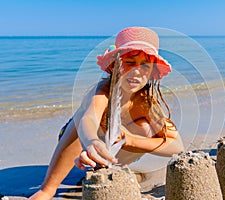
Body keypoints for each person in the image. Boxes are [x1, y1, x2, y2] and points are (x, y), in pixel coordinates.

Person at [29, 27, 184, 199]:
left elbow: (176, 146)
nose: (137, 70)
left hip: (114, 146)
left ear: (153, 72)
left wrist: (130, 139)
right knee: (81, 118)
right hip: (81, 140)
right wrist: (92, 141)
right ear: (114, 65)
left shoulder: (146, 101)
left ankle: (108, 167)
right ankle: (48, 188)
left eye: (145, 65)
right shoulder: (103, 91)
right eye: (129, 62)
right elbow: (89, 119)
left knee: (146, 127)